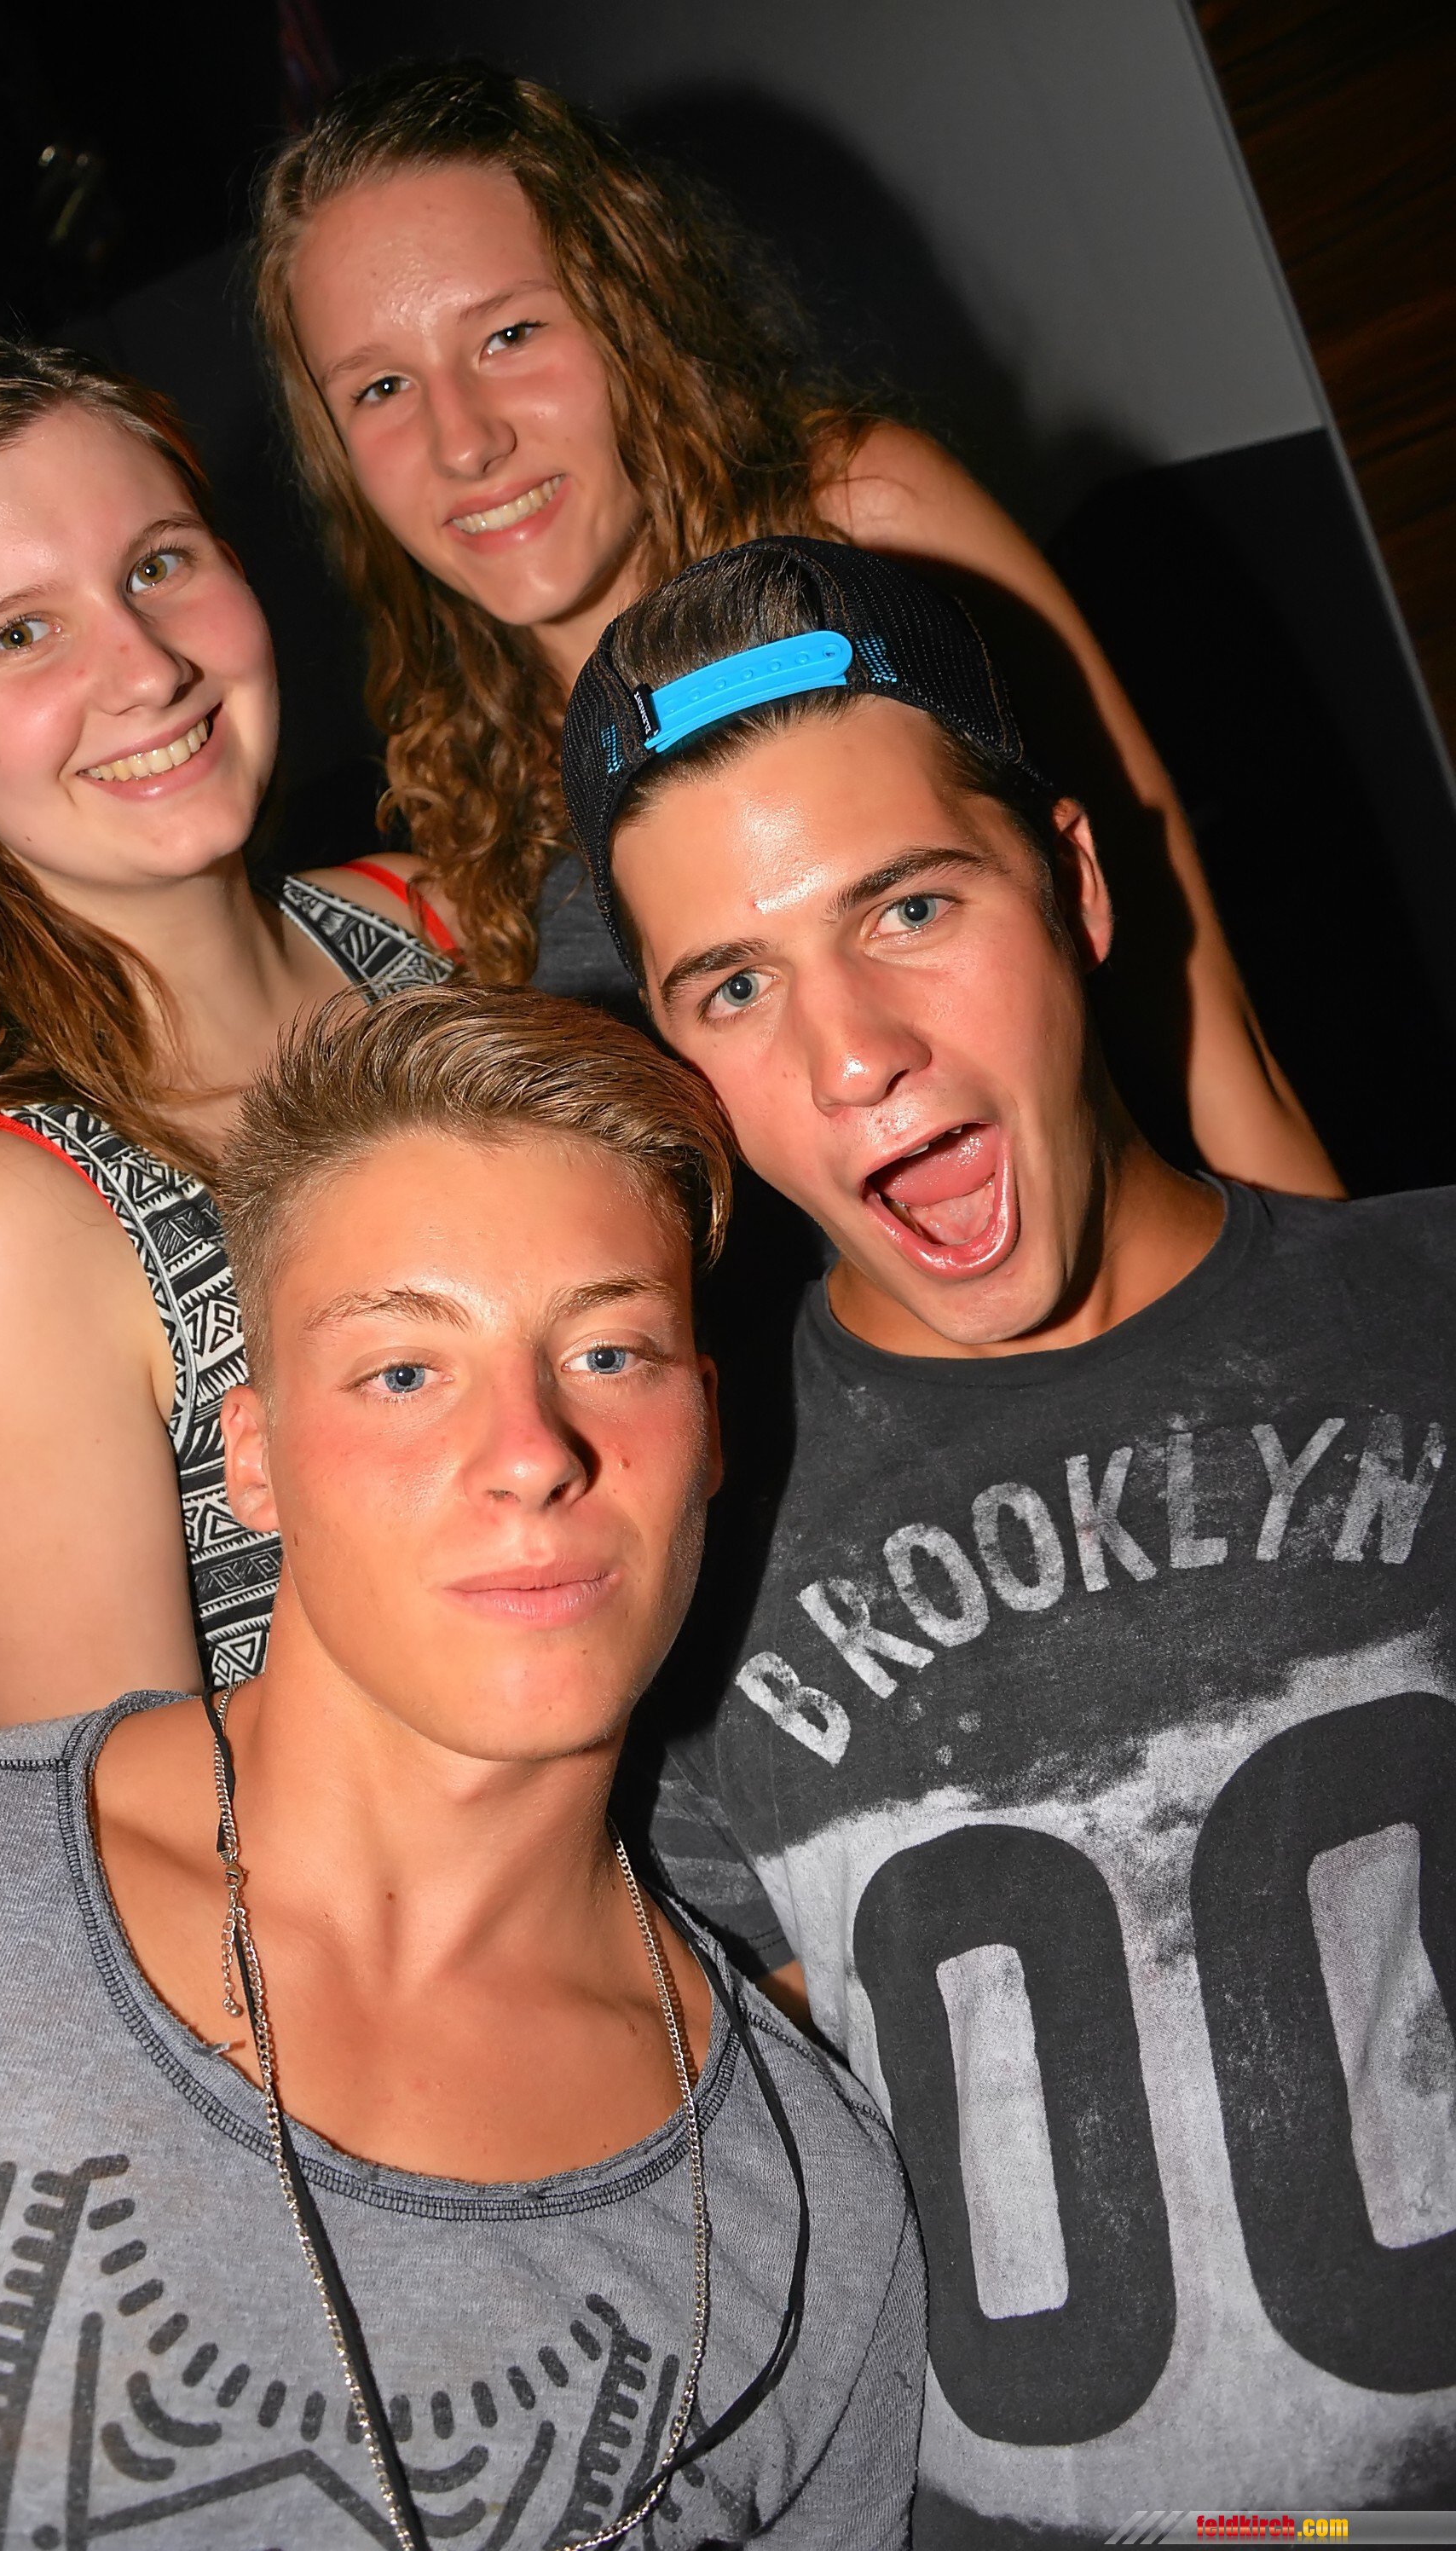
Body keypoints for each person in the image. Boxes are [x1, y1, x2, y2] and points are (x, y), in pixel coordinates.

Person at [0, 985, 925, 2549]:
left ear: (707, 1431)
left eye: (609, 1351)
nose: (533, 1451)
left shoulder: (815, 2216)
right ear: (254, 1458)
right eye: (405, 1373)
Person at [558, 537, 1456, 2537]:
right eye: (733, 984)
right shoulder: (674, 1538)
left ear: (1075, 881)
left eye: (908, 904)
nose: (850, 1050)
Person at [253, 56, 1338, 1195]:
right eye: (380, 389)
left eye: (509, 335)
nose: (464, 442)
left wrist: (1341, 1298)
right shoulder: (456, 769)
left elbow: (1212, 1040)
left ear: (628, 309)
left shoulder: (865, 525)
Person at [0, 328, 451, 1725]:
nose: (144, 668)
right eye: (19, 634)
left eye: (157, 565)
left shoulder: (445, 922)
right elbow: (146, 1825)